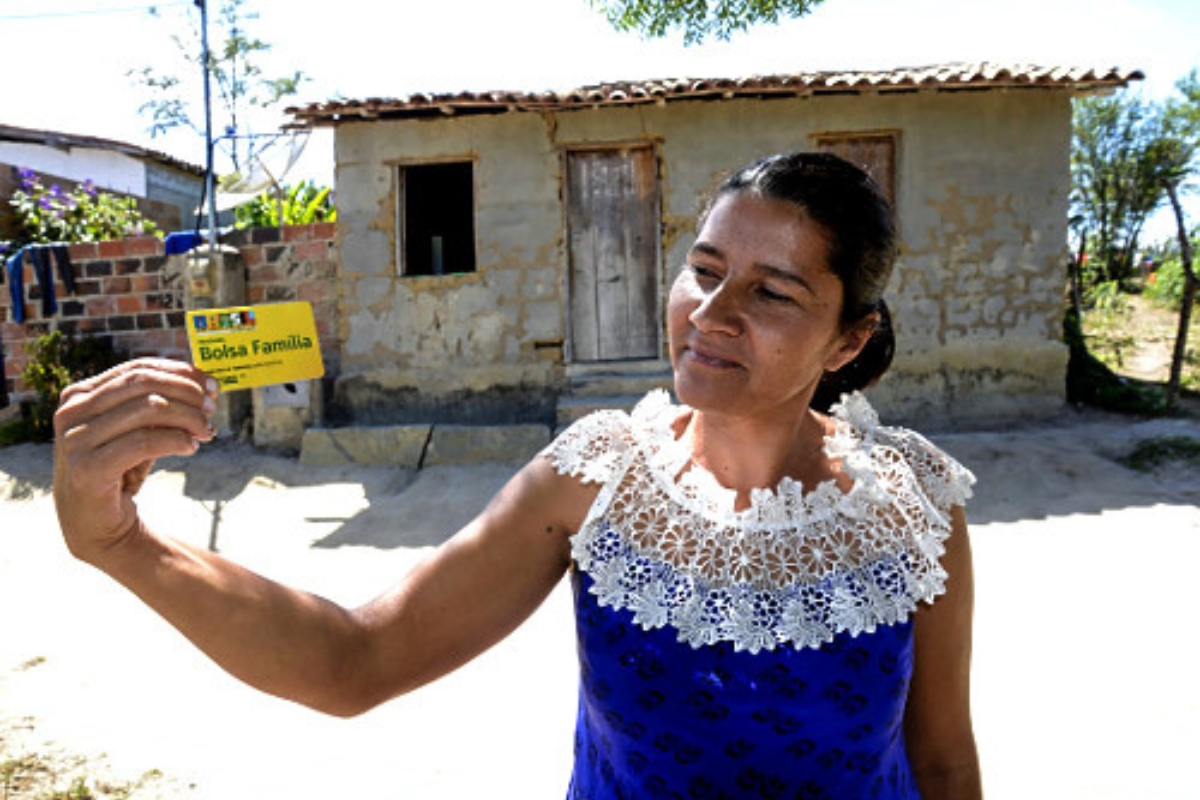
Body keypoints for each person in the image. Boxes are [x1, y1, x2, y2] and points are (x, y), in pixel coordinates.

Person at [53, 152, 982, 799]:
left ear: (849, 338)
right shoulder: (594, 479)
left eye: (773, 291)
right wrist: (123, 545)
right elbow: (354, 659)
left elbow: (940, 759)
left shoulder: (915, 505)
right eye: (703, 269)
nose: (713, 311)